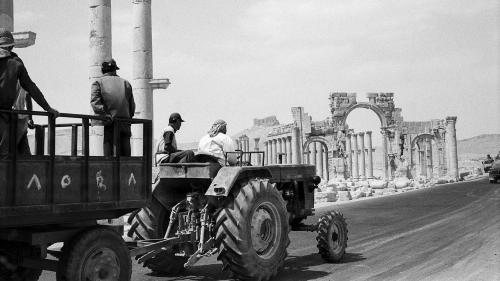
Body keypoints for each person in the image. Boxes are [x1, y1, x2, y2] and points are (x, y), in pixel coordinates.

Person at [0, 28, 59, 155]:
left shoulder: (16, 63)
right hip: (6, 117)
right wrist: (47, 108)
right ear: (11, 46)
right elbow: (30, 88)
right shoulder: (15, 63)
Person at [91, 58, 135, 156]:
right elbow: (132, 107)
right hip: (125, 123)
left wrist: (106, 114)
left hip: (109, 123)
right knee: (126, 157)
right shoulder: (126, 83)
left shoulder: (98, 83)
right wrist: (128, 118)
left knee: (110, 158)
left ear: (103, 70)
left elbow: (95, 103)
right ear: (115, 70)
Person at [12, 81, 34, 155]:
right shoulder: (24, 82)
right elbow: (28, 101)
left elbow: (28, 101)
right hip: (21, 119)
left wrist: (30, 118)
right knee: (23, 148)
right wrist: (30, 118)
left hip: (13, 120)